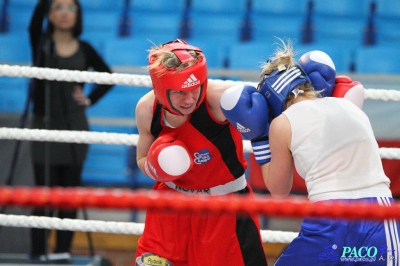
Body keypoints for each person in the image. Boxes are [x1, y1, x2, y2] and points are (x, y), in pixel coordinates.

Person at [221, 39, 400, 265]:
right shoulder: (348, 106)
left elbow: (278, 190)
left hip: (330, 217)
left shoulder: (283, 123)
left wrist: (259, 139)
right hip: (380, 213)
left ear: (271, 102)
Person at [134, 39, 268, 266]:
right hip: (170, 208)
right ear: (160, 88)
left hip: (224, 209)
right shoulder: (148, 110)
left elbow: (270, 109)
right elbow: (141, 159)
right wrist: (157, 167)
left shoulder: (219, 100)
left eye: (194, 89)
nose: (189, 99)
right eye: (179, 93)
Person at [28, 0, 113, 262]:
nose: (65, 13)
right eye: (58, 7)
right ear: (49, 14)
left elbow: (107, 76)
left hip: (75, 127)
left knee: (69, 193)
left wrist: (88, 99)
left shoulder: (85, 48)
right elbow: (32, 24)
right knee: (44, 194)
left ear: (79, 15)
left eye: (71, 8)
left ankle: (62, 252)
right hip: (44, 126)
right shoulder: (41, 43)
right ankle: (38, 253)